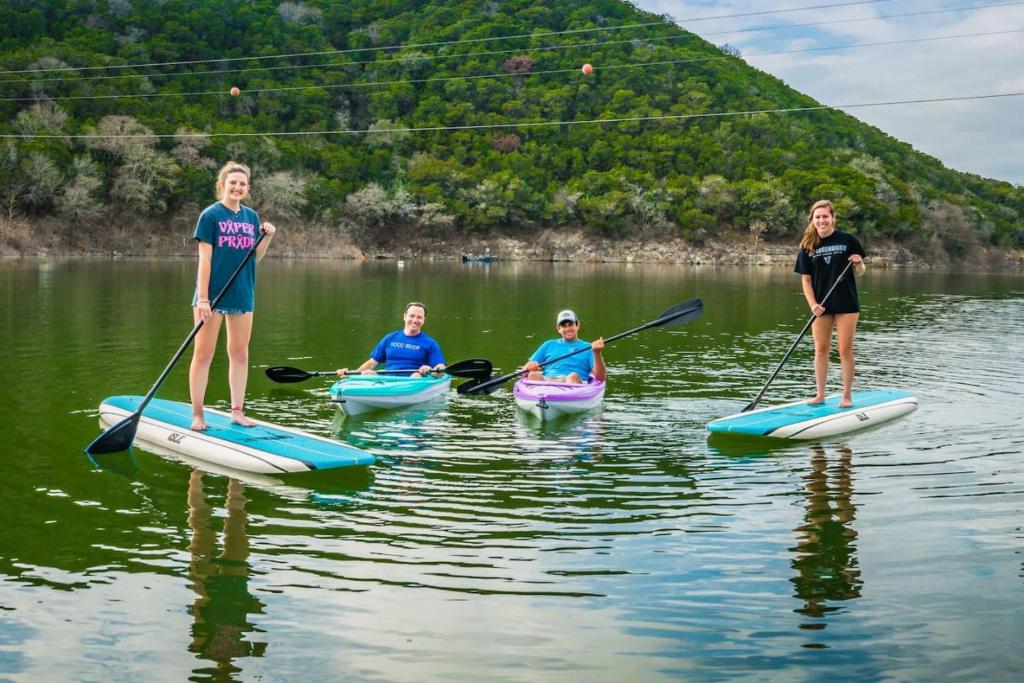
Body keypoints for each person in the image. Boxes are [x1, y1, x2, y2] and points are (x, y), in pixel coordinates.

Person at [189, 161, 276, 431]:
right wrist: (203, 298)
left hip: (242, 292)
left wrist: (267, 238)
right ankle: (198, 415)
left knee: (239, 354)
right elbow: (205, 260)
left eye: (242, 184)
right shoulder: (210, 216)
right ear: (222, 185)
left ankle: (237, 411)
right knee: (203, 355)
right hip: (212, 295)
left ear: (247, 188)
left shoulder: (251, 218)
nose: (237, 187)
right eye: (232, 183)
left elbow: (254, 258)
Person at [794, 199, 866, 408]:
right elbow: (805, 280)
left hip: (847, 304)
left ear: (832, 218)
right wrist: (813, 305)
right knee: (821, 350)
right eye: (818, 217)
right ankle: (820, 395)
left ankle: (846, 396)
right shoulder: (807, 245)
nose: (822, 220)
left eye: (825, 216)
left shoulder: (847, 240)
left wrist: (859, 263)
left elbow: (860, 273)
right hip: (821, 306)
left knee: (845, 350)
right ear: (812, 220)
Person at [336, 302, 446, 378]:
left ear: (424, 320)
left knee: (415, 376)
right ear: (404, 317)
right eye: (412, 316)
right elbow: (372, 362)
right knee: (367, 373)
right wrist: (351, 373)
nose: (415, 320)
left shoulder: (430, 343)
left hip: (414, 379)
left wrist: (430, 370)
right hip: (388, 380)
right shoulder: (390, 338)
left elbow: (441, 368)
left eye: (419, 317)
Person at [522, 309, 606, 384]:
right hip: (548, 380)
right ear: (558, 328)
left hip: (574, 382)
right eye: (563, 326)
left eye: (570, 324)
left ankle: (566, 399)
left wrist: (597, 352)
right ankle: (539, 399)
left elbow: (601, 377)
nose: (567, 329)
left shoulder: (590, 347)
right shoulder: (548, 344)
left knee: (572, 376)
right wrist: (529, 366)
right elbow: (524, 371)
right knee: (533, 375)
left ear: (577, 325)